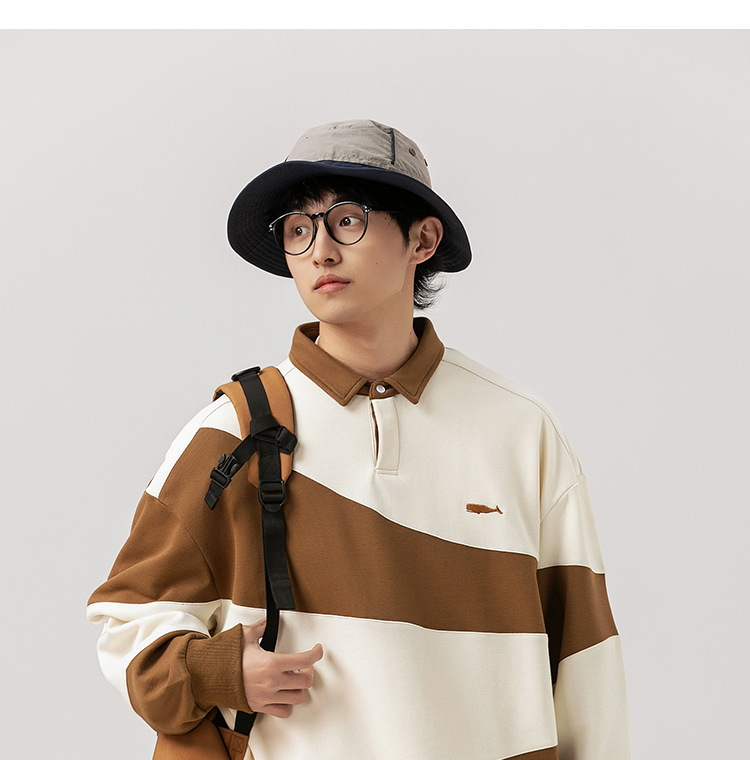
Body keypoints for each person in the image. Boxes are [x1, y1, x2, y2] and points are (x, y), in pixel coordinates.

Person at [87, 119, 632, 759]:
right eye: (298, 229)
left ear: (422, 239)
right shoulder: (236, 428)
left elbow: (586, 663)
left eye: (347, 220)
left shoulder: (520, 428)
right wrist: (219, 671)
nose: (320, 250)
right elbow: (127, 618)